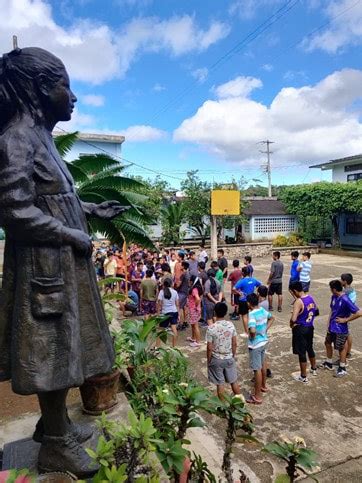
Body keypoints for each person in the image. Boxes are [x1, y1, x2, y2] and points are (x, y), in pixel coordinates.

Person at [0, 46, 128, 475]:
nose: (72, 96)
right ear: (39, 89)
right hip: (44, 269)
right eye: (64, 85)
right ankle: (55, 441)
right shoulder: (16, 138)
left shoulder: (42, 138)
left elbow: (52, 198)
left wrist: (89, 211)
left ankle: (53, 425)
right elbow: (15, 210)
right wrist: (72, 233)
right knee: (52, 350)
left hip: (58, 264)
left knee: (64, 346)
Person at [321, 280, 362, 377]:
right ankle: (329, 362)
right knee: (327, 343)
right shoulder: (334, 297)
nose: (330, 290)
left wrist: (346, 320)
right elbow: (332, 310)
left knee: (341, 347)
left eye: (331, 288)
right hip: (332, 327)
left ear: (334, 289)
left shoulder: (345, 299)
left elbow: (359, 313)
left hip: (340, 329)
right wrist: (328, 324)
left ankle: (342, 367)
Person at [206, 302, 241, 399]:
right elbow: (234, 343)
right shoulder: (231, 325)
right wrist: (232, 355)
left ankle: (223, 407)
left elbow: (209, 348)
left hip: (216, 358)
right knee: (233, 381)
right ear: (225, 312)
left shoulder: (211, 328)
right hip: (229, 357)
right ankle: (241, 403)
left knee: (220, 383)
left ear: (214, 312)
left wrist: (209, 360)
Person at [246, 294, 274, 404]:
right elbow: (272, 318)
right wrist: (264, 330)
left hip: (256, 344)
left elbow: (252, 330)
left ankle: (257, 396)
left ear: (249, 303)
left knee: (256, 369)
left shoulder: (251, 314)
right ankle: (263, 386)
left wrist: (252, 336)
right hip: (264, 341)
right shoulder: (262, 310)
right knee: (263, 364)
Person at [289, 282, 318, 383]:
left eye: (292, 292)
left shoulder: (298, 301)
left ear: (295, 291)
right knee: (310, 348)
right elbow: (316, 311)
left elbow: (293, 319)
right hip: (310, 327)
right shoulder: (310, 297)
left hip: (300, 329)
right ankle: (314, 368)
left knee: (302, 352)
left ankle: (303, 376)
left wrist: (292, 322)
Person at [234, 267, 262, 335]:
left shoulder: (242, 281)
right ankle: (255, 329)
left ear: (243, 273)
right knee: (253, 315)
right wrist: (257, 294)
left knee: (244, 316)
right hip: (251, 299)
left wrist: (239, 293)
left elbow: (234, 288)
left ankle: (246, 332)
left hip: (243, 300)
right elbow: (260, 284)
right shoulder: (253, 279)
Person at [157, 279, 179, 347]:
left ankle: (157, 347)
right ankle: (174, 347)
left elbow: (159, 303)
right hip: (174, 312)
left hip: (165, 313)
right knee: (174, 329)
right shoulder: (175, 292)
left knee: (160, 330)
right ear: (171, 284)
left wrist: (158, 313)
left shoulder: (161, 292)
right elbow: (177, 304)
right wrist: (178, 314)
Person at [341, 273, 356, 359]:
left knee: (345, 335)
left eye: (341, 279)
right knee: (348, 333)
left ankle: (345, 354)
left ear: (345, 281)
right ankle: (348, 352)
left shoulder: (345, 292)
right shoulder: (352, 289)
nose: (340, 281)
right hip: (349, 313)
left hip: (345, 315)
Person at [187, 275, 203, 348]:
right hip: (193, 309)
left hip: (194, 309)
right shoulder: (197, 288)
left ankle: (198, 341)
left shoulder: (194, 289)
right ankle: (193, 338)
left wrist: (196, 306)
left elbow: (198, 299)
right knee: (193, 324)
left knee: (195, 325)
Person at [176, 261, 190, 327]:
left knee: (180, 308)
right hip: (186, 292)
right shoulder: (188, 274)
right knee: (185, 307)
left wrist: (175, 285)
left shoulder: (183, 274)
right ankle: (185, 321)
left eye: (181, 265)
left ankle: (181, 323)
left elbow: (178, 284)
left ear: (183, 266)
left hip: (181, 292)